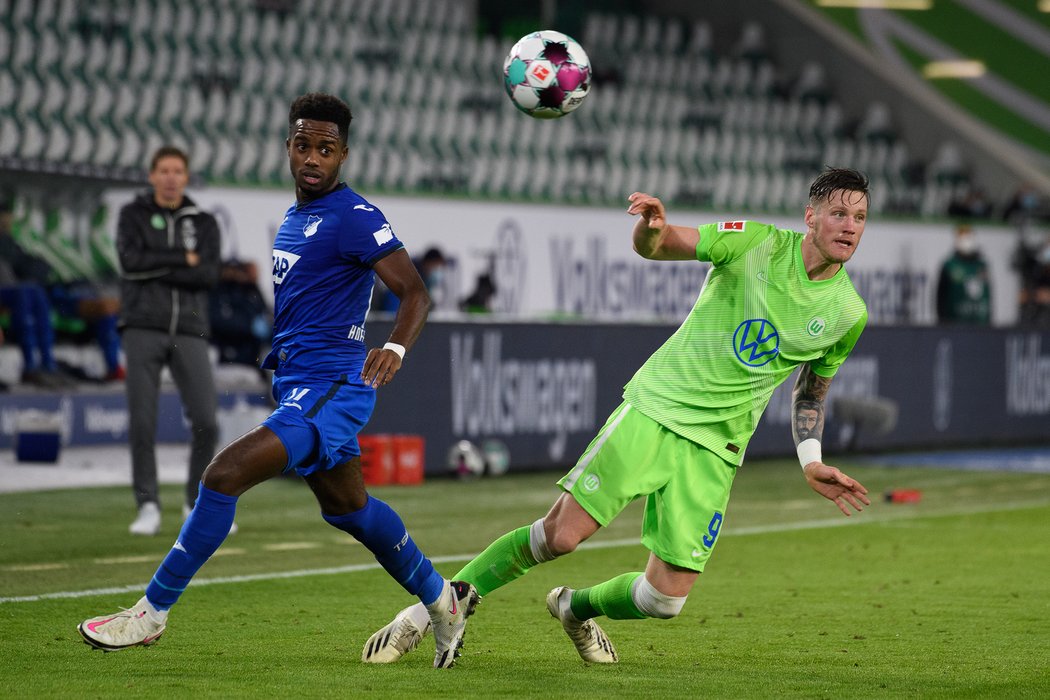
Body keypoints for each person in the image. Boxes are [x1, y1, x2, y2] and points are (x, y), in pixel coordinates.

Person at [361, 167, 873, 665]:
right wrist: (649, 228)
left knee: (665, 599)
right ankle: (433, 611)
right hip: (658, 408)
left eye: (860, 218)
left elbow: (812, 389)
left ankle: (574, 607)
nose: (849, 226)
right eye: (838, 214)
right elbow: (663, 244)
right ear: (811, 216)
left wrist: (811, 459)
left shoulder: (849, 313)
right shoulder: (755, 243)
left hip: (720, 447)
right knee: (560, 535)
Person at [78, 93, 478, 669]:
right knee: (350, 510)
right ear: (289, 147)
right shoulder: (295, 218)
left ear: (343, 154)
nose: (312, 157)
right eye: (303, 145)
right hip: (298, 384)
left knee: (222, 476)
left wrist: (393, 345)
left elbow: (415, 292)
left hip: (332, 388)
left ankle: (150, 613)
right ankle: (443, 601)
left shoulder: (354, 216)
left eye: (326, 148)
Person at [115, 146, 222, 536]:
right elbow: (130, 264)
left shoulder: (205, 221)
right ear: (152, 175)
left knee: (207, 421)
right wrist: (183, 258)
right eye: (164, 170)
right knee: (143, 421)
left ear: (186, 175)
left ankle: (195, 503)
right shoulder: (133, 215)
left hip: (190, 329)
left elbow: (209, 275)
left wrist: (160, 262)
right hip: (142, 325)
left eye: (178, 170)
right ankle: (147, 504)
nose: (171, 177)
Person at [935, 224, 991, 325]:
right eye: (963, 237)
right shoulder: (949, 265)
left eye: (969, 237)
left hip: (980, 325)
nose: (967, 241)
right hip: (954, 324)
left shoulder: (982, 266)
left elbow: (988, 296)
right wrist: (941, 322)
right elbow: (940, 297)